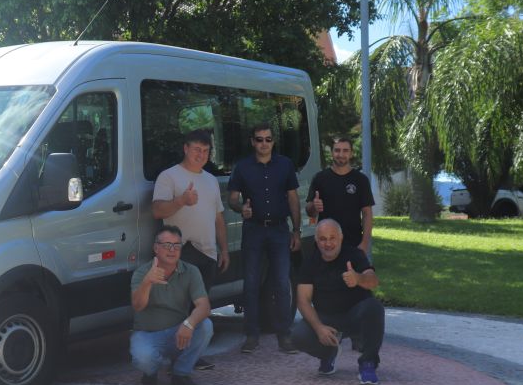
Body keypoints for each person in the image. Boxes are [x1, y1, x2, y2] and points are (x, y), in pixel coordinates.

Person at [152, 128, 229, 370]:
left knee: (199, 309)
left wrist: (224, 250)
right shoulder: (169, 177)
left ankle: (191, 356)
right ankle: (170, 357)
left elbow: (218, 218)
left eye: (206, 151)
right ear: (185, 148)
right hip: (179, 255)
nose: (201, 155)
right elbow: (157, 211)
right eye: (197, 149)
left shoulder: (211, 180)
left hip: (207, 253)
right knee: (176, 310)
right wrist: (181, 201)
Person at [228, 122, 302, 355]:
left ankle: (284, 336)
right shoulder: (242, 167)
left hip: (280, 230)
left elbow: (293, 199)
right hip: (254, 229)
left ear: (273, 141)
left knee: (282, 283)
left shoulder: (285, 165)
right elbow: (232, 199)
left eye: (268, 139)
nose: (263, 143)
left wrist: (297, 230)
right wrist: (241, 209)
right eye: (259, 139)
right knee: (250, 283)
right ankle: (251, 334)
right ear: (252, 142)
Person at [291, 219, 385, 385]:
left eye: (332, 238)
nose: (328, 243)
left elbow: (374, 281)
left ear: (341, 238)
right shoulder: (310, 263)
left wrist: (358, 278)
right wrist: (319, 328)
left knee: (374, 308)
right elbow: (303, 301)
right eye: (323, 239)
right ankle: (329, 353)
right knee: (298, 334)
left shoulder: (355, 255)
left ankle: (368, 363)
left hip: (355, 316)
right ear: (316, 240)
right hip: (327, 319)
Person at [130, 225, 214, 385]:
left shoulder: (191, 271)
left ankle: (180, 374)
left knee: (206, 326)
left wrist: (189, 324)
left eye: (177, 245)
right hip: (148, 333)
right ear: (156, 248)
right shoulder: (142, 272)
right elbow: (137, 305)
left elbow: (204, 306)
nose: (172, 250)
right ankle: (150, 372)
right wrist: (147, 282)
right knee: (144, 358)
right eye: (167, 245)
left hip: (178, 332)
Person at [306, 137, 374, 253]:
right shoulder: (320, 178)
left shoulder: (361, 180)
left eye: (345, 150)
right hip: (325, 246)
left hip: (353, 244)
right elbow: (310, 213)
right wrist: (314, 207)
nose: (341, 154)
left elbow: (367, 214)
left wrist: (365, 243)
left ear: (351, 153)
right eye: (337, 150)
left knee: (353, 272)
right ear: (332, 152)